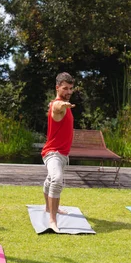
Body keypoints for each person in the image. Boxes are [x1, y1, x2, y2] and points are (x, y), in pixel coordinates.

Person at [41, 72, 75, 233]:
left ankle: (49, 208)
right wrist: (61, 105)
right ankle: (52, 220)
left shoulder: (66, 105)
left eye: (71, 88)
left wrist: (65, 105)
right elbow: (56, 108)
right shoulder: (58, 105)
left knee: (50, 179)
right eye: (65, 88)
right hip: (53, 153)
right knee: (56, 179)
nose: (68, 91)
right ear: (57, 88)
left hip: (62, 154)